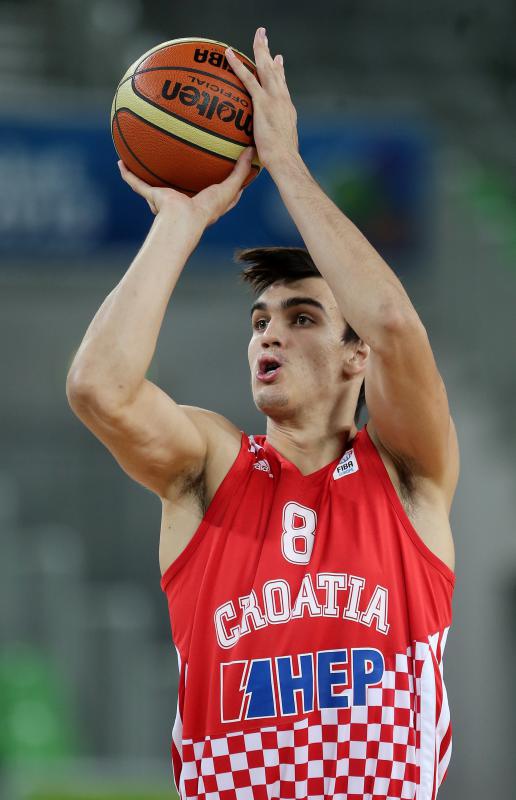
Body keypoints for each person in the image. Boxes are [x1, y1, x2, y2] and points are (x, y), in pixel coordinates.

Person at [66, 27, 458, 800]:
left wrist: (285, 164)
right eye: (259, 322)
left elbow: (393, 324)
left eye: (302, 318)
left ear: (356, 356)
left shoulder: (407, 475)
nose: (269, 334)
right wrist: (178, 222)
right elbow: (98, 389)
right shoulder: (212, 468)